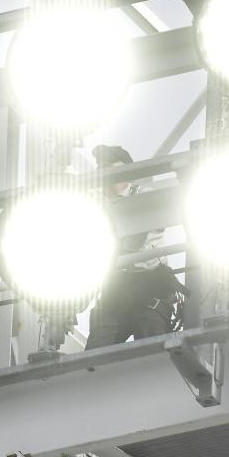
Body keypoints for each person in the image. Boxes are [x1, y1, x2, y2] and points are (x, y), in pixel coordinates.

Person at [85, 145, 184, 350]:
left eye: (109, 166)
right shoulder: (90, 206)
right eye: (101, 167)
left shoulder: (144, 198)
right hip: (115, 288)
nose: (103, 172)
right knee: (93, 358)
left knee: (154, 355)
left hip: (151, 286)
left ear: (126, 172)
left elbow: (133, 242)